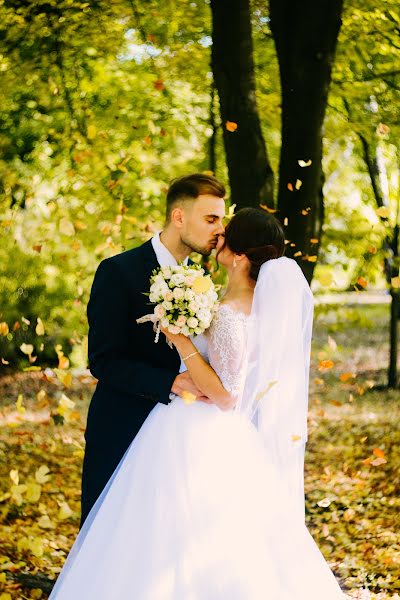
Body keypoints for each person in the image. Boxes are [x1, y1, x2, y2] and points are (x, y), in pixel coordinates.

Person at [49, 208, 346, 599]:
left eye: (226, 235)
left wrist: (182, 340)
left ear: (239, 256)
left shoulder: (230, 313)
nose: (218, 237)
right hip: (204, 425)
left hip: (200, 428)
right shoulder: (237, 302)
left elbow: (225, 395)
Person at [80, 173, 226, 527]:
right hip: (124, 428)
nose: (220, 230)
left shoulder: (202, 279)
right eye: (211, 219)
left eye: (221, 219)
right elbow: (103, 360)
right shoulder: (118, 271)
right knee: (112, 537)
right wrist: (172, 382)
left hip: (183, 437)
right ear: (179, 217)